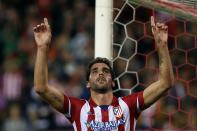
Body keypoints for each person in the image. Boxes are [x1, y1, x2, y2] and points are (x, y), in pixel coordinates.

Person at [33, 16, 174, 131]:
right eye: (95, 71)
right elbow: (41, 88)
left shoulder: (127, 106)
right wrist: (42, 47)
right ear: (88, 83)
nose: (100, 73)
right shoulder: (78, 108)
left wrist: (162, 46)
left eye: (105, 71)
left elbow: (165, 83)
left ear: (113, 81)